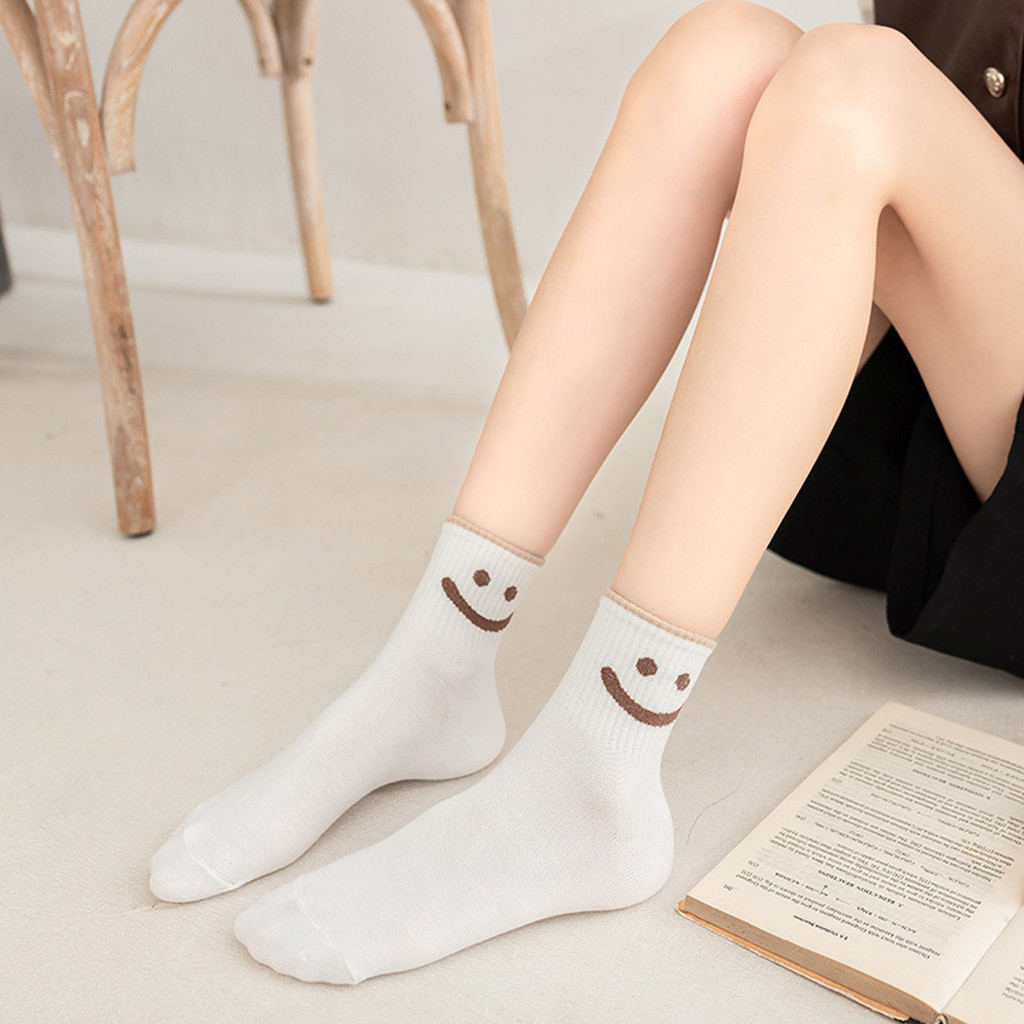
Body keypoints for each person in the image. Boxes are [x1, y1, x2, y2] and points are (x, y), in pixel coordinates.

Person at [148, 0, 1024, 985]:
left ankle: (598, 766)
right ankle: (435, 661)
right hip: (932, 365)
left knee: (853, 89)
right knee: (722, 57)